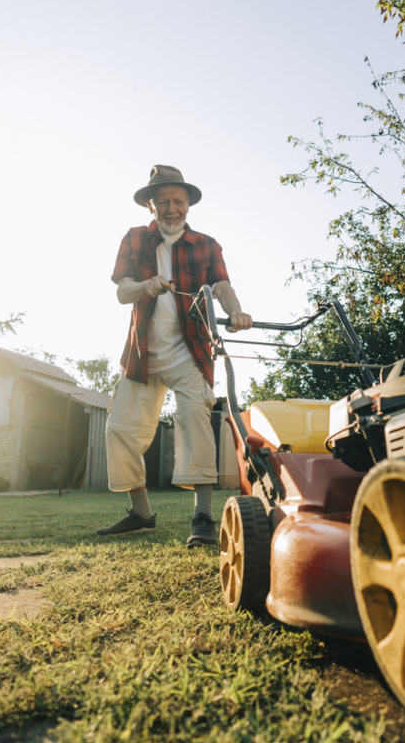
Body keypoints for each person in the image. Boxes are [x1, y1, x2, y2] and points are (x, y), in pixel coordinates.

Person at [97, 165, 252, 547]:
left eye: (178, 201)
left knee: (193, 420)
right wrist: (146, 285)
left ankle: (202, 518)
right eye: (163, 201)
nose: (171, 208)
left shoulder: (206, 244)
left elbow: (221, 285)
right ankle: (141, 514)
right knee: (121, 429)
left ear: (188, 206)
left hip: (190, 350)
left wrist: (236, 311)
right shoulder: (134, 240)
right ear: (150, 205)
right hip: (143, 352)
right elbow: (121, 291)